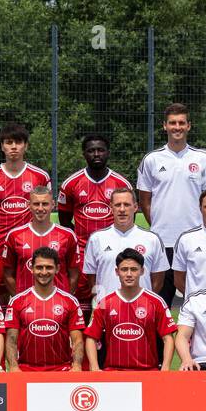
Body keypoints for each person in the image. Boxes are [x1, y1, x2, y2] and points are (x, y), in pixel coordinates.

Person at [136, 103, 206, 305]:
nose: (177, 127)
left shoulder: (203, 158)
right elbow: (144, 201)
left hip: (195, 242)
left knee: (200, 303)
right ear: (164, 126)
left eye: (182, 123)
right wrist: (159, 227)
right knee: (159, 305)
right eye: (172, 123)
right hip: (162, 243)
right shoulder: (152, 160)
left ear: (189, 126)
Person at [59, 134, 132, 320]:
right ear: (84, 153)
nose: (96, 154)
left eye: (100, 150)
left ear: (108, 153)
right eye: (91, 151)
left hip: (113, 253)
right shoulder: (71, 184)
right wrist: (80, 242)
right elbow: (65, 220)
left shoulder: (121, 184)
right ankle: (81, 346)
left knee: (111, 301)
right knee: (82, 304)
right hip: (82, 252)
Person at [0, 123, 51, 301]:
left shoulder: (40, 176)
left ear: (25, 145)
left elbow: (45, 207)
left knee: (33, 296)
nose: (13, 147)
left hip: (30, 248)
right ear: (2, 146)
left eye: (18, 142)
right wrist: (2, 230)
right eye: (9, 142)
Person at [84, 249, 176, 372]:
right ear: (117, 272)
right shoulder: (105, 303)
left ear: (142, 271)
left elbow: (168, 337)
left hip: (148, 372)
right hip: (113, 372)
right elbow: (91, 337)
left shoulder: (156, 302)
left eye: (133, 269)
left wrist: (165, 368)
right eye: (124, 269)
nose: (129, 274)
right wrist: (94, 367)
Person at [79, 187, 168, 304]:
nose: (122, 209)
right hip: (107, 309)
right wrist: (101, 302)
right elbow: (91, 278)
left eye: (126, 205)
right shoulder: (96, 239)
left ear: (135, 207)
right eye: (117, 205)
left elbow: (158, 279)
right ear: (111, 208)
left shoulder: (152, 239)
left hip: (141, 308)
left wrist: (146, 301)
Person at [5, 247, 86, 372]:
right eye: (39, 267)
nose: (43, 272)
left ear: (57, 269)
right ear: (31, 268)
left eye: (49, 267)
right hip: (26, 370)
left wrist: (77, 365)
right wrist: (14, 367)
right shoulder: (17, 301)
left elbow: (77, 340)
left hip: (61, 370)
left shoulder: (70, 301)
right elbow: (11, 339)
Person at [0, 183, 77, 300]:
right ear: (29, 205)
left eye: (45, 204)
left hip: (58, 306)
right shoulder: (15, 235)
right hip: (26, 306)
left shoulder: (67, 235)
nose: (40, 208)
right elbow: (7, 274)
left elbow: (74, 274)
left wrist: (65, 299)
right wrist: (20, 300)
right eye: (36, 204)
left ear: (53, 205)